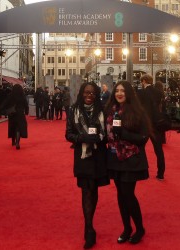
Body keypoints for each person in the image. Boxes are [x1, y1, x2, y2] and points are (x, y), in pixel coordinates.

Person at [104, 80, 153, 245]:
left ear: (129, 93)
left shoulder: (137, 112)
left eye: (123, 91)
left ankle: (139, 228)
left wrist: (123, 133)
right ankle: (127, 228)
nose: (119, 93)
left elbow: (143, 139)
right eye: (117, 90)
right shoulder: (109, 111)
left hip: (131, 158)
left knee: (128, 194)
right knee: (120, 195)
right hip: (114, 156)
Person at [65, 82, 109, 249]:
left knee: (94, 189)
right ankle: (89, 227)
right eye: (86, 92)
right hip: (83, 156)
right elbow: (68, 134)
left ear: (96, 95)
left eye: (92, 93)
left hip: (98, 155)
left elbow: (107, 134)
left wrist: (99, 138)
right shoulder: (73, 110)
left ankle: (89, 223)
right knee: (86, 190)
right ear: (81, 93)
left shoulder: (102, 110)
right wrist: (81, 138)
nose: (89, 95)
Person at [138, 74, 166, 180]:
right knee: (158, 150)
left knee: (140, 148)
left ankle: (141, 170)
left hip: (145, 124)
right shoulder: (159, 92)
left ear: (144, 81)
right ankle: (161, 173)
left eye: (142, 81)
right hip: (156, 123)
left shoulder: (141, 93)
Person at [0, 84, 29, 150]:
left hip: (12, 113)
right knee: (18, 128)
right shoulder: (22, 96)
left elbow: (5, 103)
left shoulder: (10, 95)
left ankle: (13, 141)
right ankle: (17, 143)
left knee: (12, 127)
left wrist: (1, 110)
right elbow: (26, 104)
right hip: (20, 113)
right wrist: (26, 111)